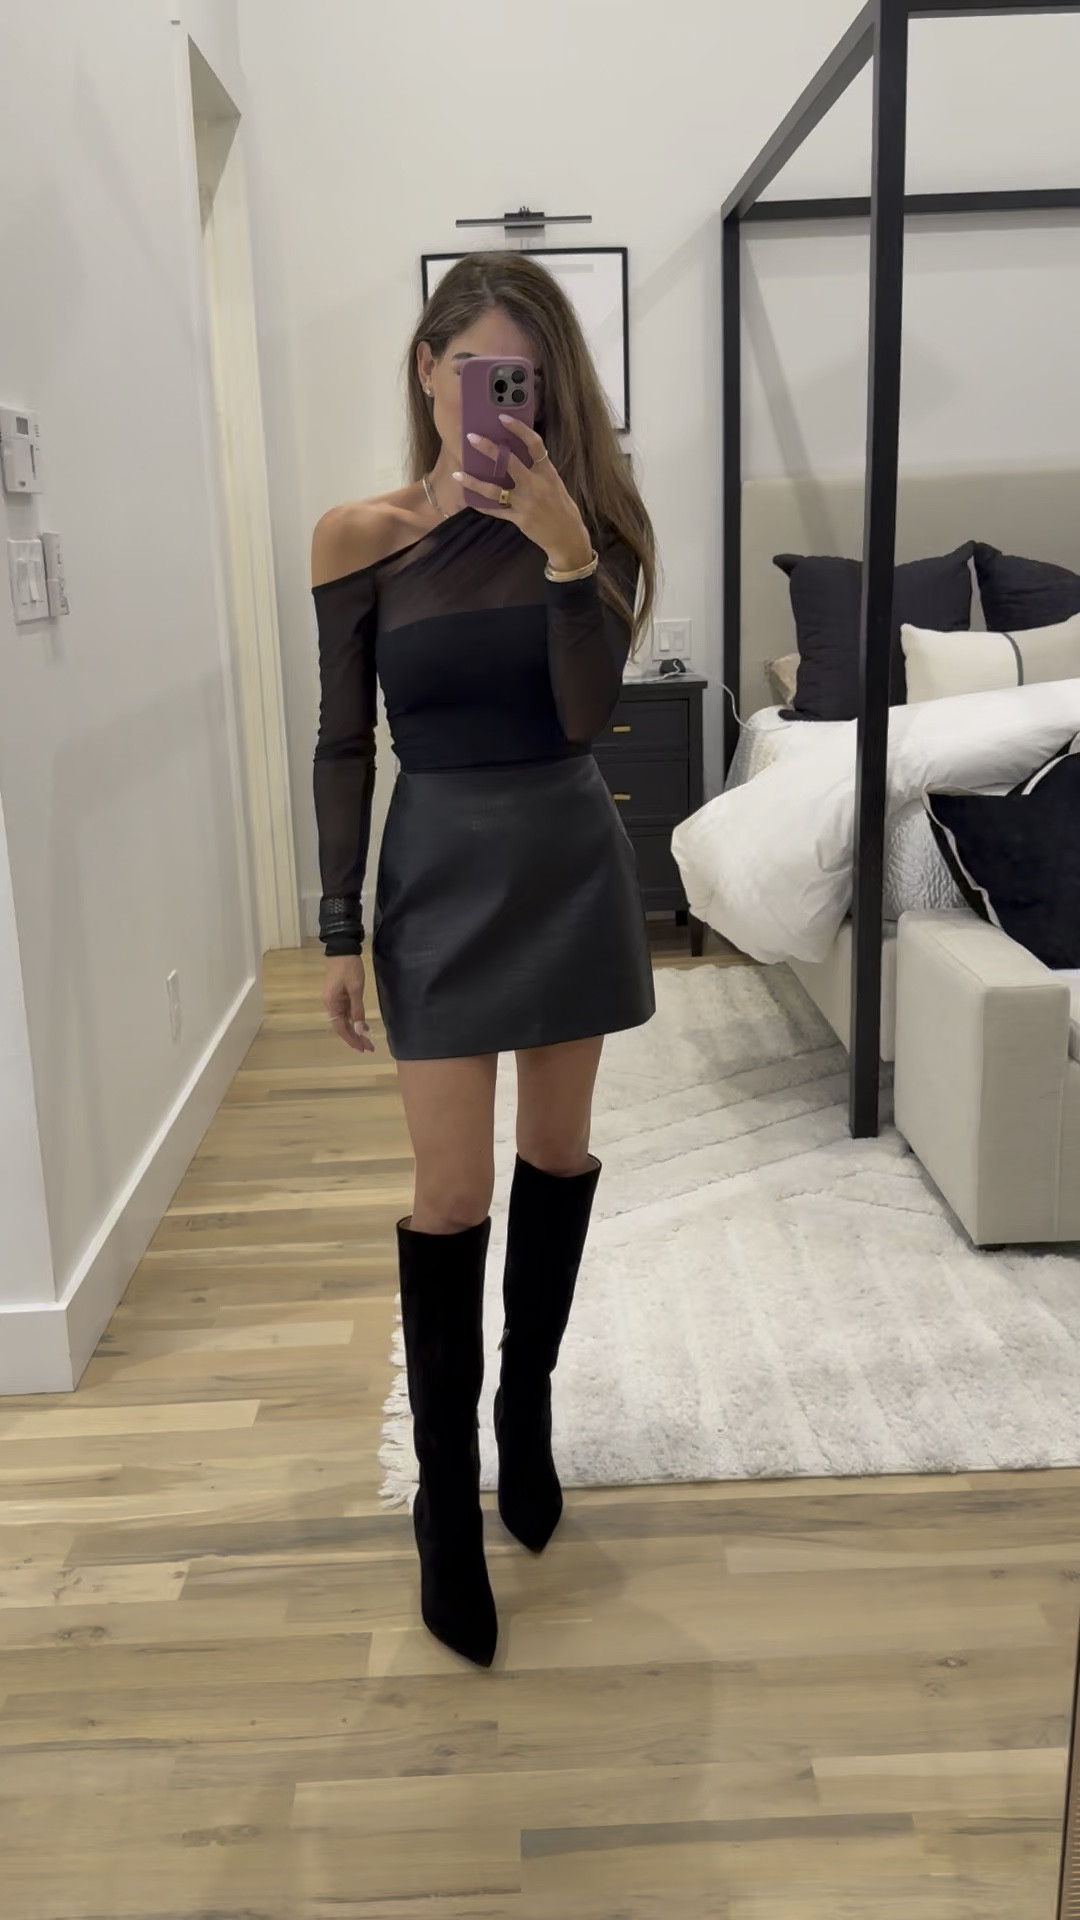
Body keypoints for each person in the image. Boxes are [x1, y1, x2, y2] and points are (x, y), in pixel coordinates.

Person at [311, 252, 657, 1669]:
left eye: (522, 377)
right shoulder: (358, 535)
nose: (497, 401)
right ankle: (445, 1500)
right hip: (439, 876)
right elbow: (345, 741)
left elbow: (582, 718)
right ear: (428, 372)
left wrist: (570, 555)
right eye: (474, 374)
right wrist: (336, 926)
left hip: (566, 863)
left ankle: (527, 1409)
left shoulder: (599, 526)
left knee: (555, 1159)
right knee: (450, 1193)